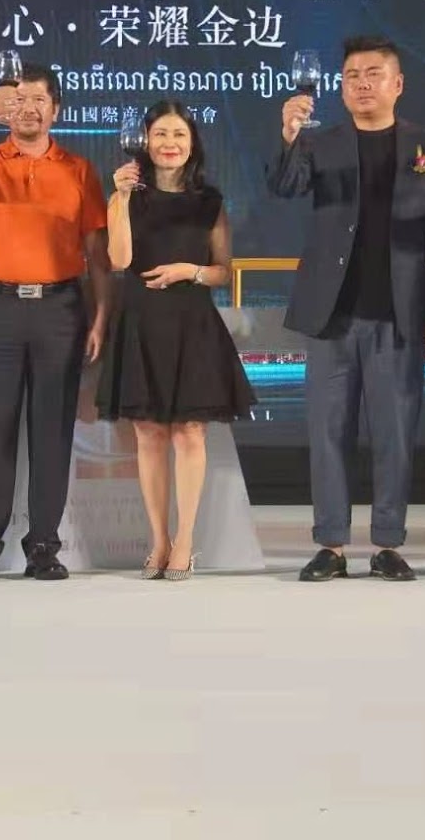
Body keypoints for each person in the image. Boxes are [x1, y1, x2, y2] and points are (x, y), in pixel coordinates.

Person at [267, 35, 425, 583]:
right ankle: (330, 544)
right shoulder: (320, 143)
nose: (361, 83)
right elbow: (283, 186)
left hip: (400, 314)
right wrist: (288, 136)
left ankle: (388, 544)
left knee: (395, 433)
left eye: (373, 74)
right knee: (328, 432)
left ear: (397, 84)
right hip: (332, 314)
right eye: (351, 76)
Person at [0, 64, 112, 582]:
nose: (29, 107)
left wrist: (100, 316)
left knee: (53, 432)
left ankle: (43, 548)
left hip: (61, 307)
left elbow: (97, 254)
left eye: (40, 99)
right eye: (20, 99)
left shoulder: (78, 170)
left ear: (57, 110)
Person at [98, 101, 255, 580]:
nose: (169, 143)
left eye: (179, 135)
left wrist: (189, 271)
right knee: (149, 434)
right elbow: (120, 260)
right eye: (161, 134)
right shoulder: (125, 196)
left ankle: (185, 540)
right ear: (144, 141)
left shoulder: (209, 200)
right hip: (141, 320)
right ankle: (158, 540)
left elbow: (223, 272)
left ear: (192, 144)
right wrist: (120, 198)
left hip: (192, 322)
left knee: (190, 432)